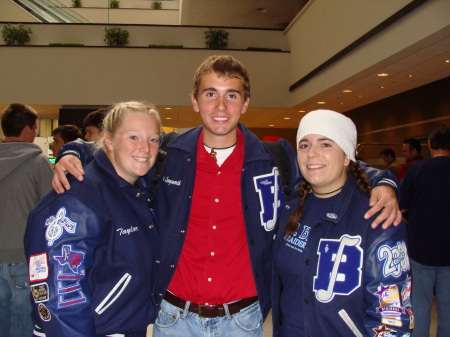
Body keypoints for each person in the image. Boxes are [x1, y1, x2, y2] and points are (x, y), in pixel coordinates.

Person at [51, 55, 401, 337]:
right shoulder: (168, 154)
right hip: (174, 318)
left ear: (245, 103)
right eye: (210, 93)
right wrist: (74, 152)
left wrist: (384, 181)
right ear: (194, 100)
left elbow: (330, 164)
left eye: (231, 95)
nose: (221, 105)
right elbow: (119, 152)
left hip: (244, 320)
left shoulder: (275, 158)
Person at [24, 101, 162, 337]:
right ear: (108, 140)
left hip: (125, 326)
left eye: (153, 139)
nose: (146, 149)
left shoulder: (135, 192)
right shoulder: (80, 198)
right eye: (133, 137)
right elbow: (61, 291)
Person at [272, 109, 413, 337]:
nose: (312, 154)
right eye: (304, 145)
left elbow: (391, 318)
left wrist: (385, 181)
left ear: (347, 155)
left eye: (326, 144)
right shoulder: (291, 206)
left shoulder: (377, 217)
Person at [0, 103, 53, 337]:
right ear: (27, 130)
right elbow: (51, 212)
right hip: (24, 257)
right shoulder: (39, 164)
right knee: (22, 325)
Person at [400, 124, 450, 337]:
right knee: (447, 308)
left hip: (421, 248)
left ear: (429, 144)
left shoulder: (416, 169)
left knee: (419, 306)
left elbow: (403, 203)